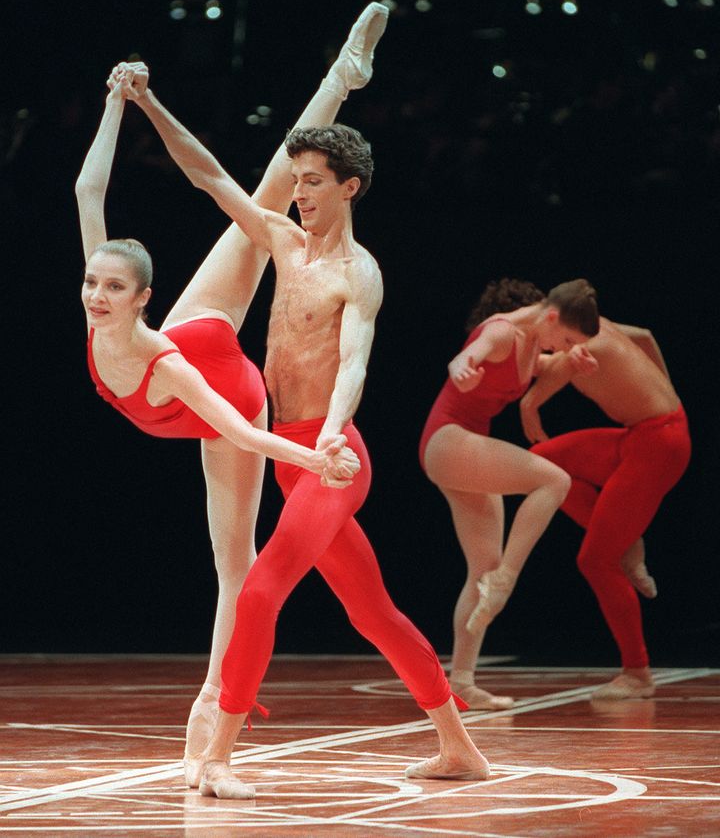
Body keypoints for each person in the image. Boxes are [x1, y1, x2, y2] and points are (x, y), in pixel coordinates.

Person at [120, 60, 492, 801]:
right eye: (297, 180)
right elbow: (207, 175)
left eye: (314, 180)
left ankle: (220, 752)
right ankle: (460, 748)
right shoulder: (284, 243)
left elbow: (354, 362)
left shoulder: (360, 272)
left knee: (259, 591)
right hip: (291, 451)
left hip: (332, 457)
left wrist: (333, 434)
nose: (301, 193)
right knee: (373, 610)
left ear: (349, 186)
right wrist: (148, 102)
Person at [78, 2, 390, 780]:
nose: (95, 294)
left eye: (112, 286)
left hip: (231, 392)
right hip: (190, 348)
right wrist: (123, 101)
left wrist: (317, 459)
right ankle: (342, 78)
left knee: (235, 564)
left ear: (142, 297)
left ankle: (213, 712)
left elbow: (249, 436)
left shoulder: (166, 357)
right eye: (93, 284)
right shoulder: (105, 309)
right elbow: (90, 191)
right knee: (254, 191)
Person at [419, 278, 600, 709]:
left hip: (462, 449)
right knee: (553, 480)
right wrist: (461, 366)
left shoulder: (535, 342)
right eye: (568, 337)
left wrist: (571, 360)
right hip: (448, 439)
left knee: (483, 568)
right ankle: (508, 578)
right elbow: (467, 355)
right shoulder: (503, 332)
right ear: (551, 317)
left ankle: (461, 683)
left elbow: (548, 367)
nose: (563, 345)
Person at [520, 317, 691, 699]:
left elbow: (538, 390)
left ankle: (637, 673)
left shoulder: (579, 351)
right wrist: (665, 390)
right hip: (640, 438)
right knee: (541, 464)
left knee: (596, 561)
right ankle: (629, 544)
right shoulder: (593, 330)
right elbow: (645, 334)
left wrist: (528, 402)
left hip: (656, 446)